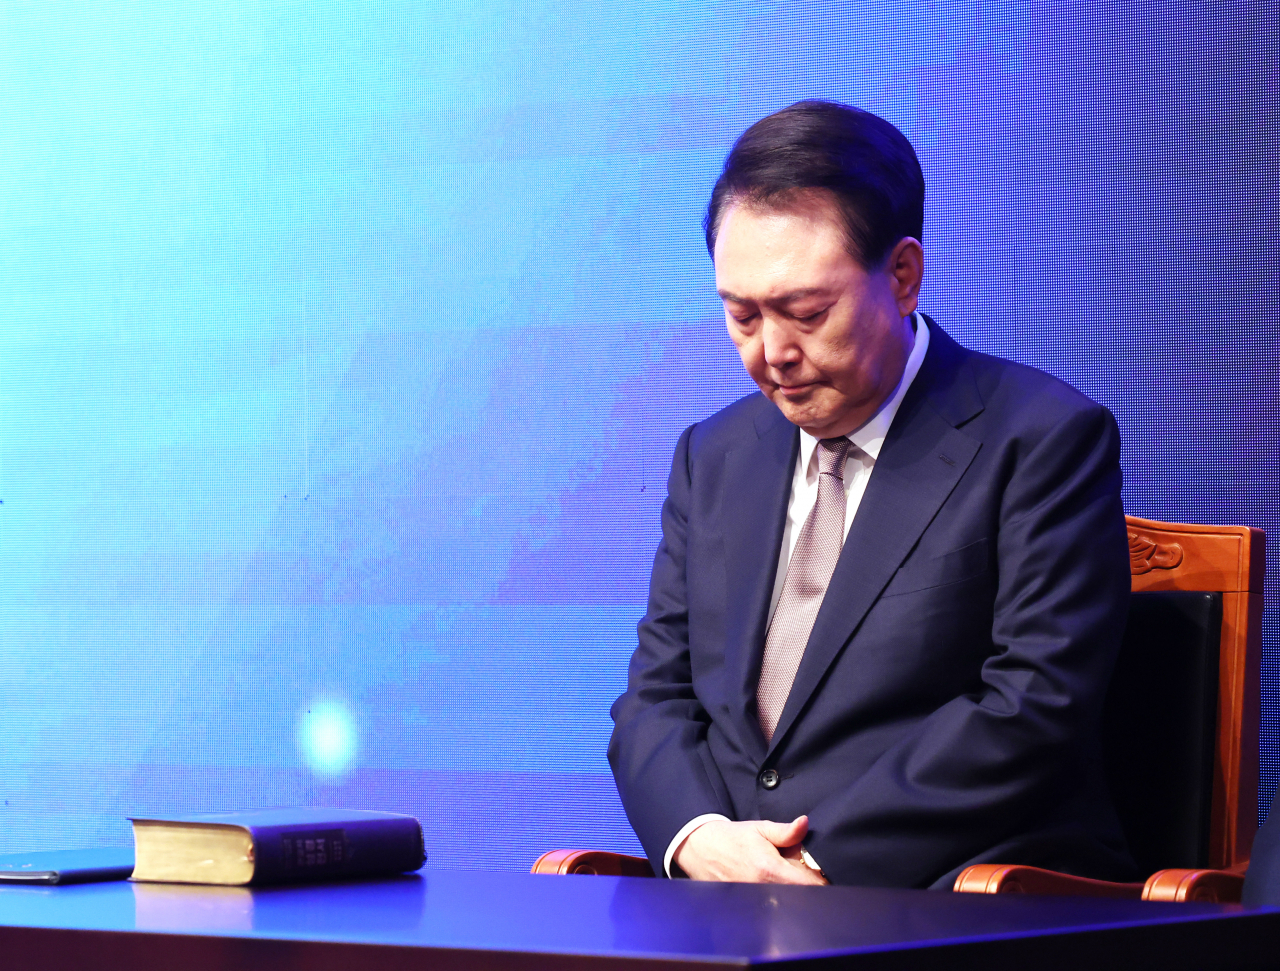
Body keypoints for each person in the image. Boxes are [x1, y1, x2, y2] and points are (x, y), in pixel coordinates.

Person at [607, 100, 1138, 889]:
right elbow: (655, 694)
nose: (773, 353)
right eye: (741, 315)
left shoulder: (1040, 437)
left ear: (902, 276)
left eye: (807, 313)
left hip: (955, 892)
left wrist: (817, 865)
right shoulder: (713, 454)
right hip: (726, 897)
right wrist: (698, 837)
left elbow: (1033, 702)